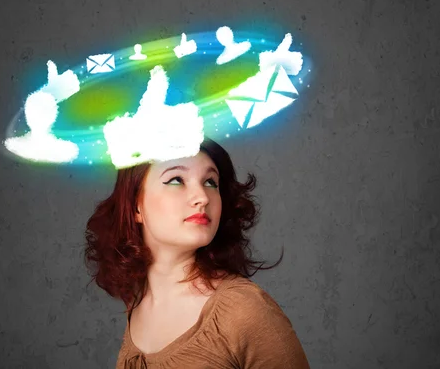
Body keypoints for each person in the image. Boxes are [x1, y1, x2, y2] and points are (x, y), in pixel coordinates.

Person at [84, 137, 310, 368]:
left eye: (211, 182)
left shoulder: (245, 310)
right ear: (135, 207)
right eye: (176, 180)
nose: (202, 198)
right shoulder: (138, 302)